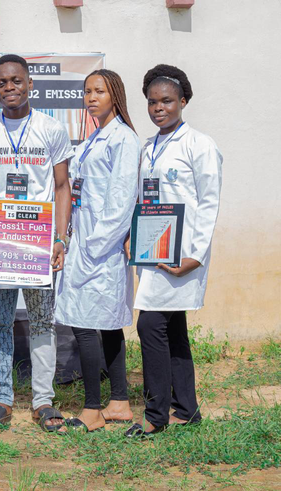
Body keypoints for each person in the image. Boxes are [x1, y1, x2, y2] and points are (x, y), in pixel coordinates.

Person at [0, 55, 73, 432]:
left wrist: (60, 238)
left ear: (30, 83)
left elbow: (62, 187)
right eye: (2, 83)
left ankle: (43, 400)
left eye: (16, 80)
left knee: (42, 320)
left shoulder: (51, 128)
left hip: (39, 241)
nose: (9, 88)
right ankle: (2, 398)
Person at [125, 65, 222, 438]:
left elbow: (209, 202)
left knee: (150, 324)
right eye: (152, 102)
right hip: (153, 250)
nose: (158, 108)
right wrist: (134, 235)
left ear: (183, 101)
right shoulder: (148, 147)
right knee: (173, 328)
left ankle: (155, 415)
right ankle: (187, 408)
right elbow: (142, 198)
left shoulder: (200, 145)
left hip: (181, 254)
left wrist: (194, 256)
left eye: (166, 100)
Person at [54, 69, 140, 433]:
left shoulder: (123, 138)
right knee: (103, 326)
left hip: (99, 244)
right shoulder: (95, 137)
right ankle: (119, 401)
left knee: (87, 325)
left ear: (115, 95)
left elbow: (121, 200)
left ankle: (92, 408)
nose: (91, 97)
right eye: (87, 91)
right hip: (85, 239)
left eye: (99, 91)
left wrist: (93, 246)